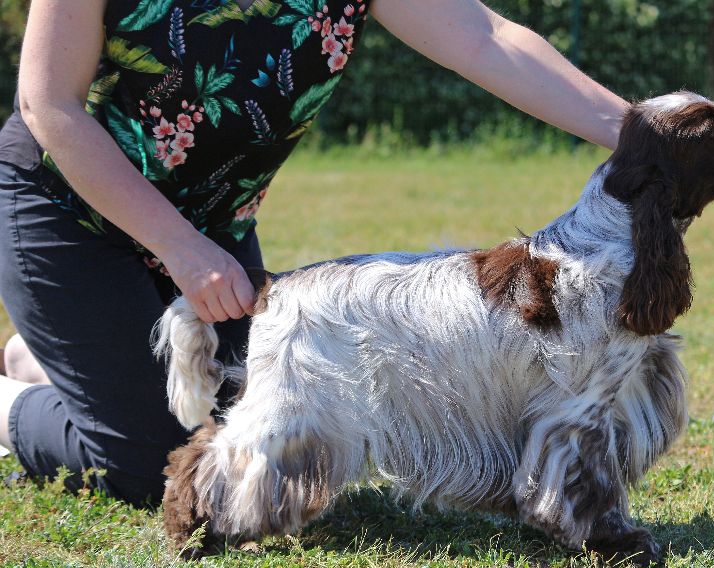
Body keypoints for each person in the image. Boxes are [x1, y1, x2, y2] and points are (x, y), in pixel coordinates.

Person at [0, 0, 628, 505]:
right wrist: (181, 248)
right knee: (149, 468)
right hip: (68, 211)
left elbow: (486, 37)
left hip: (213, 228)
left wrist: (645, 133)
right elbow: (47, 105)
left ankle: (59, 354)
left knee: (264, 429)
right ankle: (14, 401)